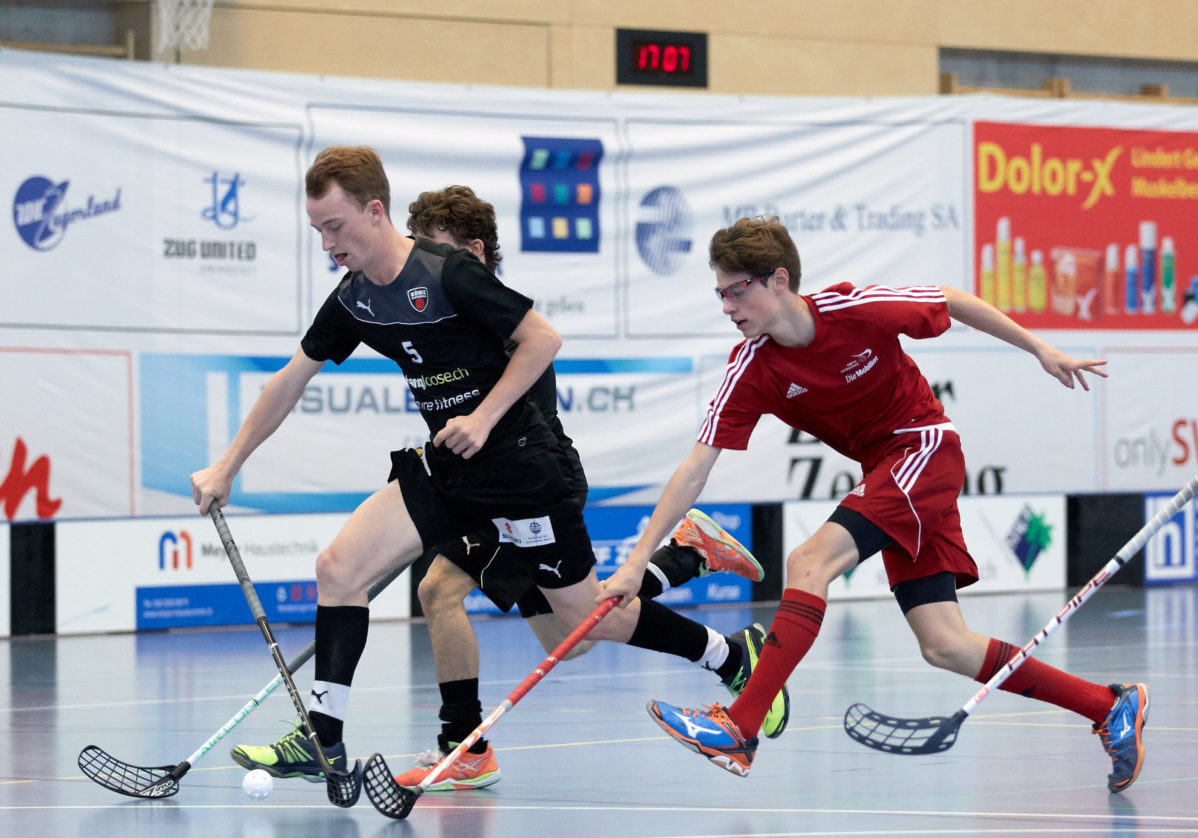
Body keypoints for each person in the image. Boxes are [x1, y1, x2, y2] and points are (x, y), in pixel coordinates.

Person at [189, 148, 788, 786]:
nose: (328, 243)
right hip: (449, 470)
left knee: (586, 622)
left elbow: (544, 339)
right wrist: (228, 464)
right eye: (317, 231)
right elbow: (289, 381)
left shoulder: (448, 273)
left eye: (335, 227)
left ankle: (726, 654)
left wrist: (482, 418)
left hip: (523, 473)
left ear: (373, 210)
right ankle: (323, 738)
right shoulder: (355, 299)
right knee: (339, 567)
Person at [602, 216, 1149, 793]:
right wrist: (638, 559)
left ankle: (741, 726)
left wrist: (1040, 347)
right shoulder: (752, 369)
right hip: (889, 472)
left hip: (925, 448)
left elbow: (950, 301)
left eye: (737, 290)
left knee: (809, 563)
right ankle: (1108, 705)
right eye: (720, 293)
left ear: (778, 280)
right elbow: (696, 467)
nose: (727, 307)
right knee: (945, 645)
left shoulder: (853, 308)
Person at [393, 185, 768, 790]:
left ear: (474, 251)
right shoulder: (446, 316)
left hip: (530, 488)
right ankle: (690, 560)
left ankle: (463, 745)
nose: (423, 270)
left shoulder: (501, 321)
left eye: (437, 253)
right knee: (572, 640)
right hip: (485, 490)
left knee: (441, 590)